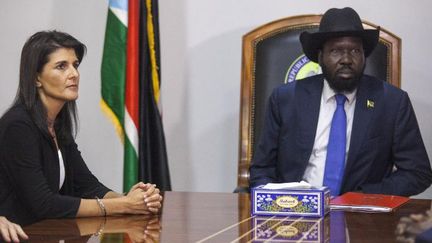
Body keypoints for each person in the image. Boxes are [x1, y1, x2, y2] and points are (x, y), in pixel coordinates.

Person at [249, 7, 432, 197]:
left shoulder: (392, 102)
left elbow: (417, 173)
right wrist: (277, 202)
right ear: (320, 57)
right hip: (296, 212)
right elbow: (261, 169)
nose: (346, 59)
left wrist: (364, 197)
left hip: (362, 217)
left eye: (354, 50)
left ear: (364, 56)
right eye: (336, 51)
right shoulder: (286, 99)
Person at [0, 30, 163, 226]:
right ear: (36, 78)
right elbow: (43, 204)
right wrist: (125, 205)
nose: (74, 74)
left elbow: (86, 185)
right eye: (61, 66)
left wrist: (135, 200)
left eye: (75, 65)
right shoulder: (18, 126)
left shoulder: (57, 125)